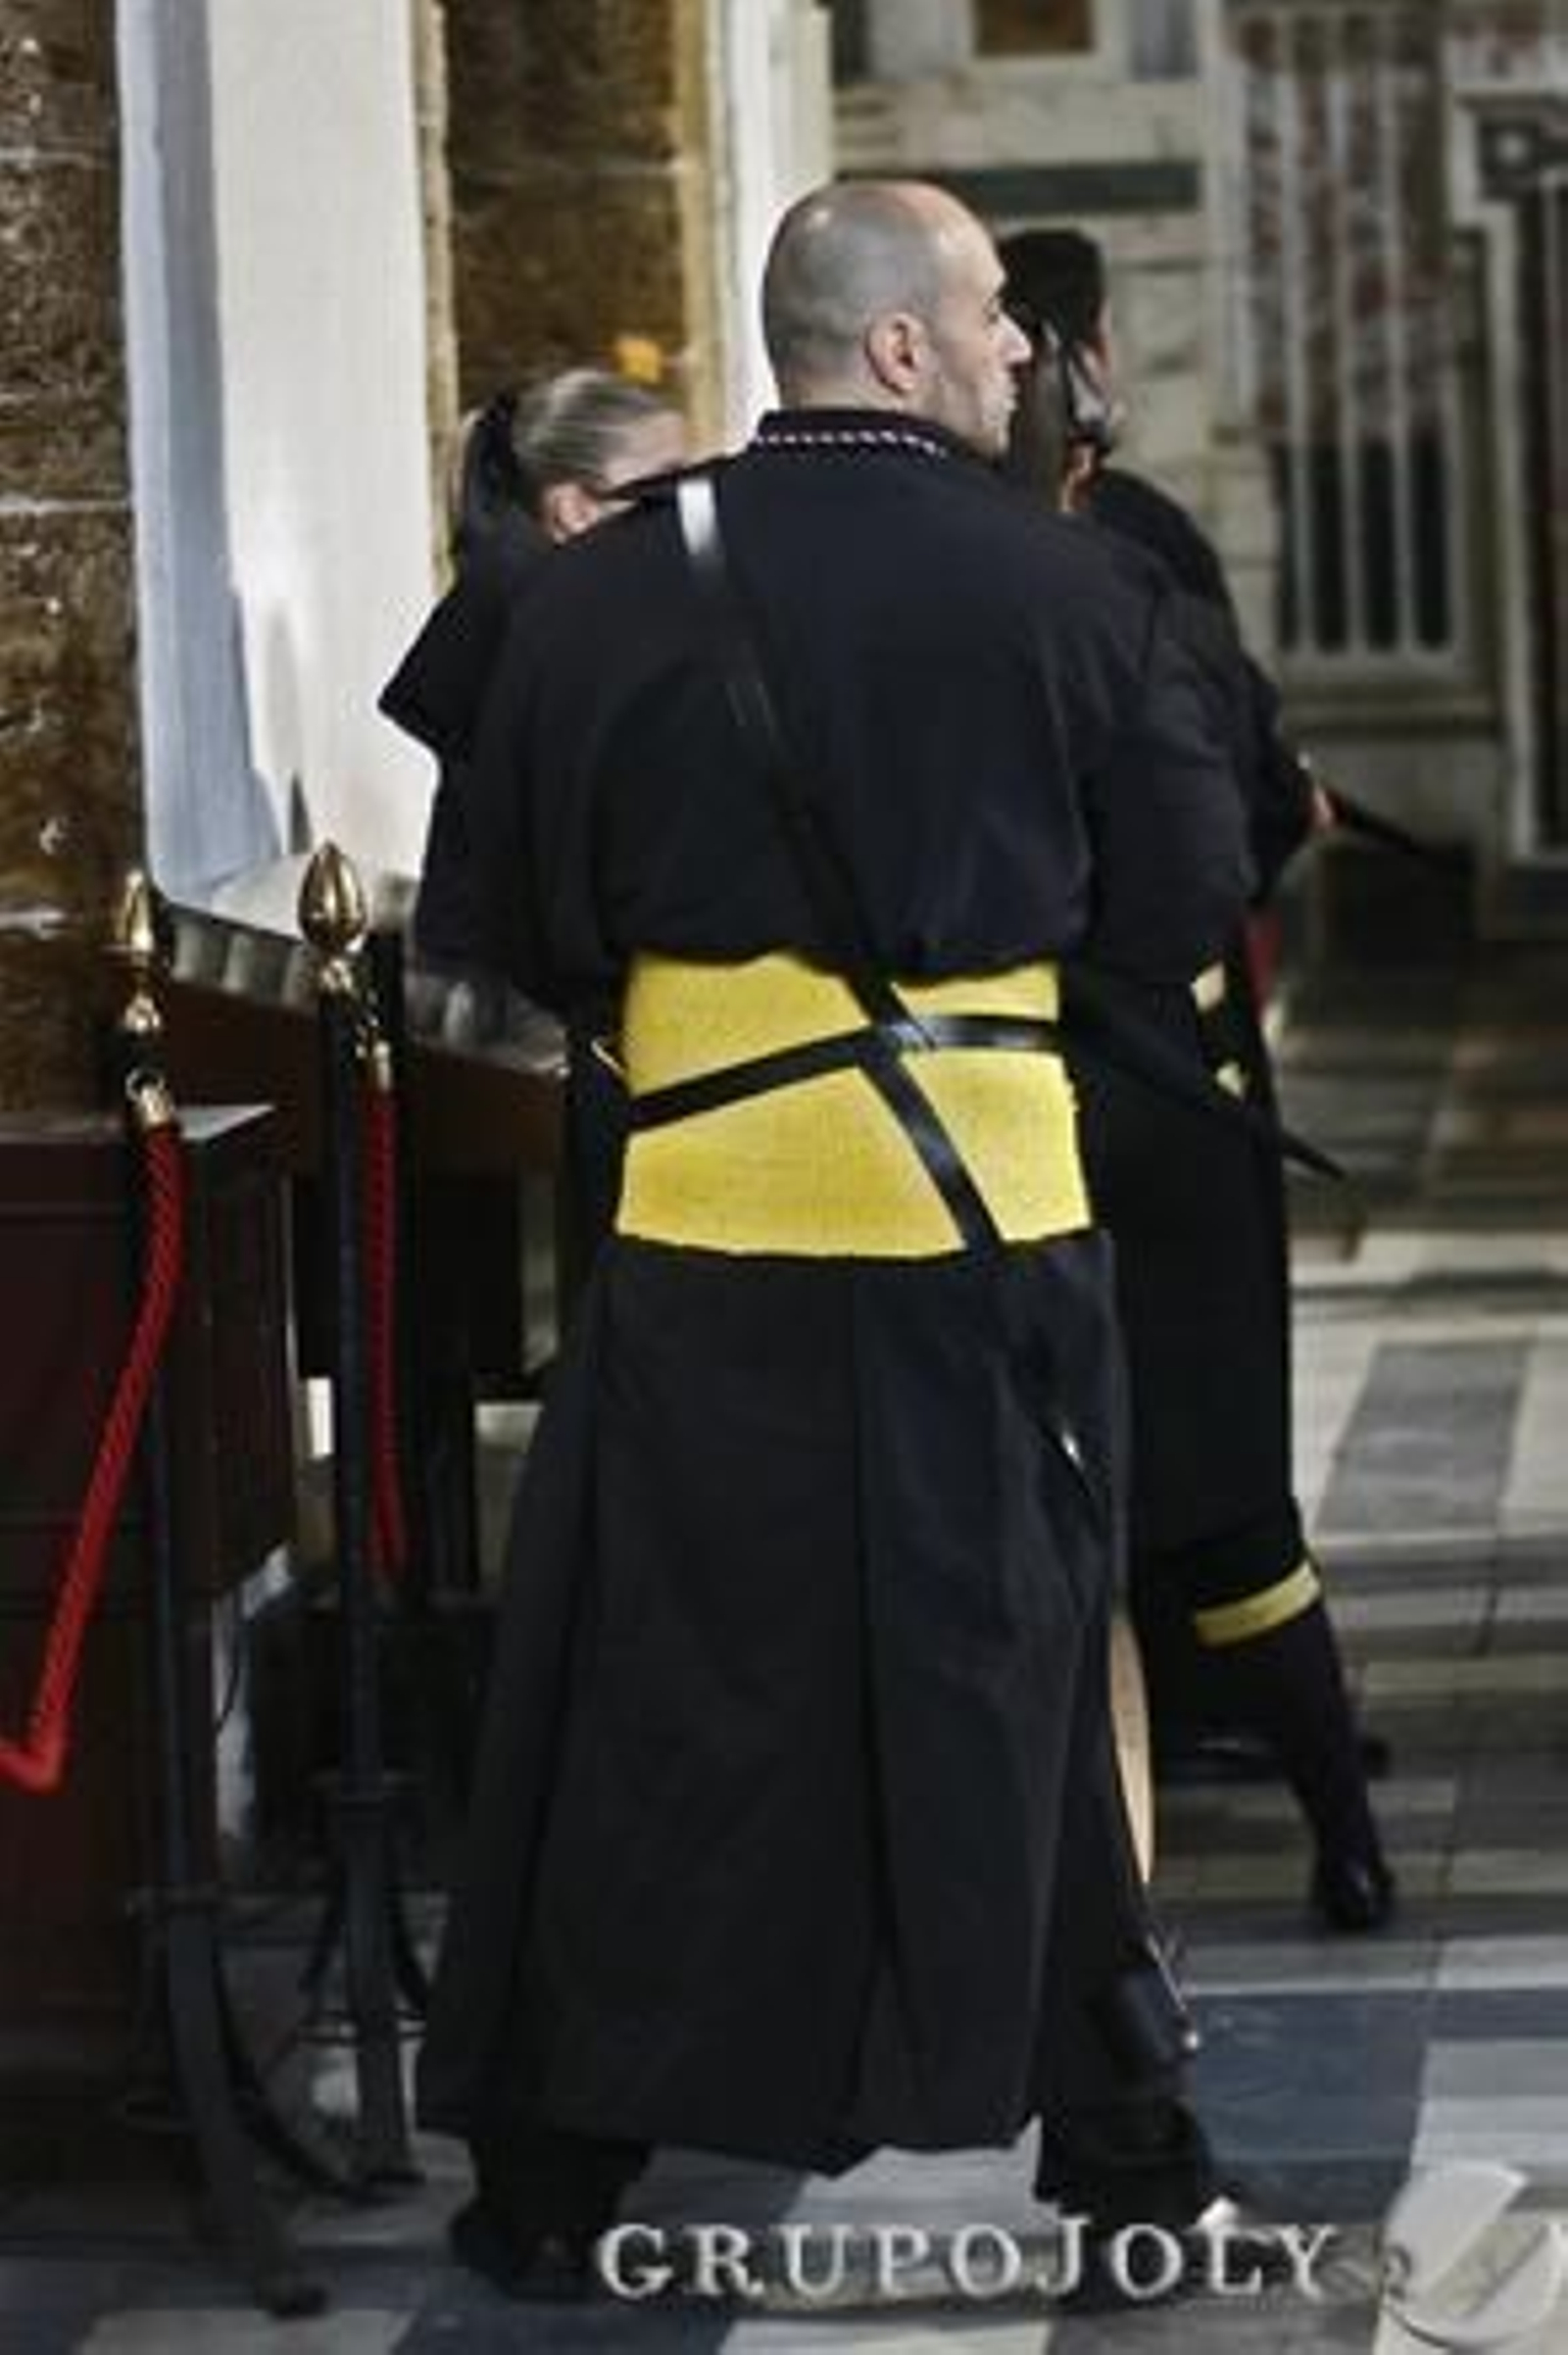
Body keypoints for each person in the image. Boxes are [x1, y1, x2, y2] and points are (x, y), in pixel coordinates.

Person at [416, 178, 1259, 2303]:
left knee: (662, 1692)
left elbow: (503, 916)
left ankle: (546, 2171)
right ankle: (1127, 2143)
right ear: (893, 345)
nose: (1012, 353)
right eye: (986, 317)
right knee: (1021, 1681)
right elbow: (1175, 908)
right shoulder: (1067, 589)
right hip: (989, 1229)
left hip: (701, 1226)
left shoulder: (587, 600)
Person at [999, 226, 1394, 1933]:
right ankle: (1315, 1813)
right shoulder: (1117, 567)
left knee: (1110, 1488)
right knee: (1214, 1489)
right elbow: (1210, 826)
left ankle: (1184, 1827)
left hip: (1019, 1079)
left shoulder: (1031, 564)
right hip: (1145, 1068)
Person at [379, 369, 688, 976]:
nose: (687, 509)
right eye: (667, 487)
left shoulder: (529, 593)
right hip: (512, 999)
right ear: (574, 508)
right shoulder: (530, 612)